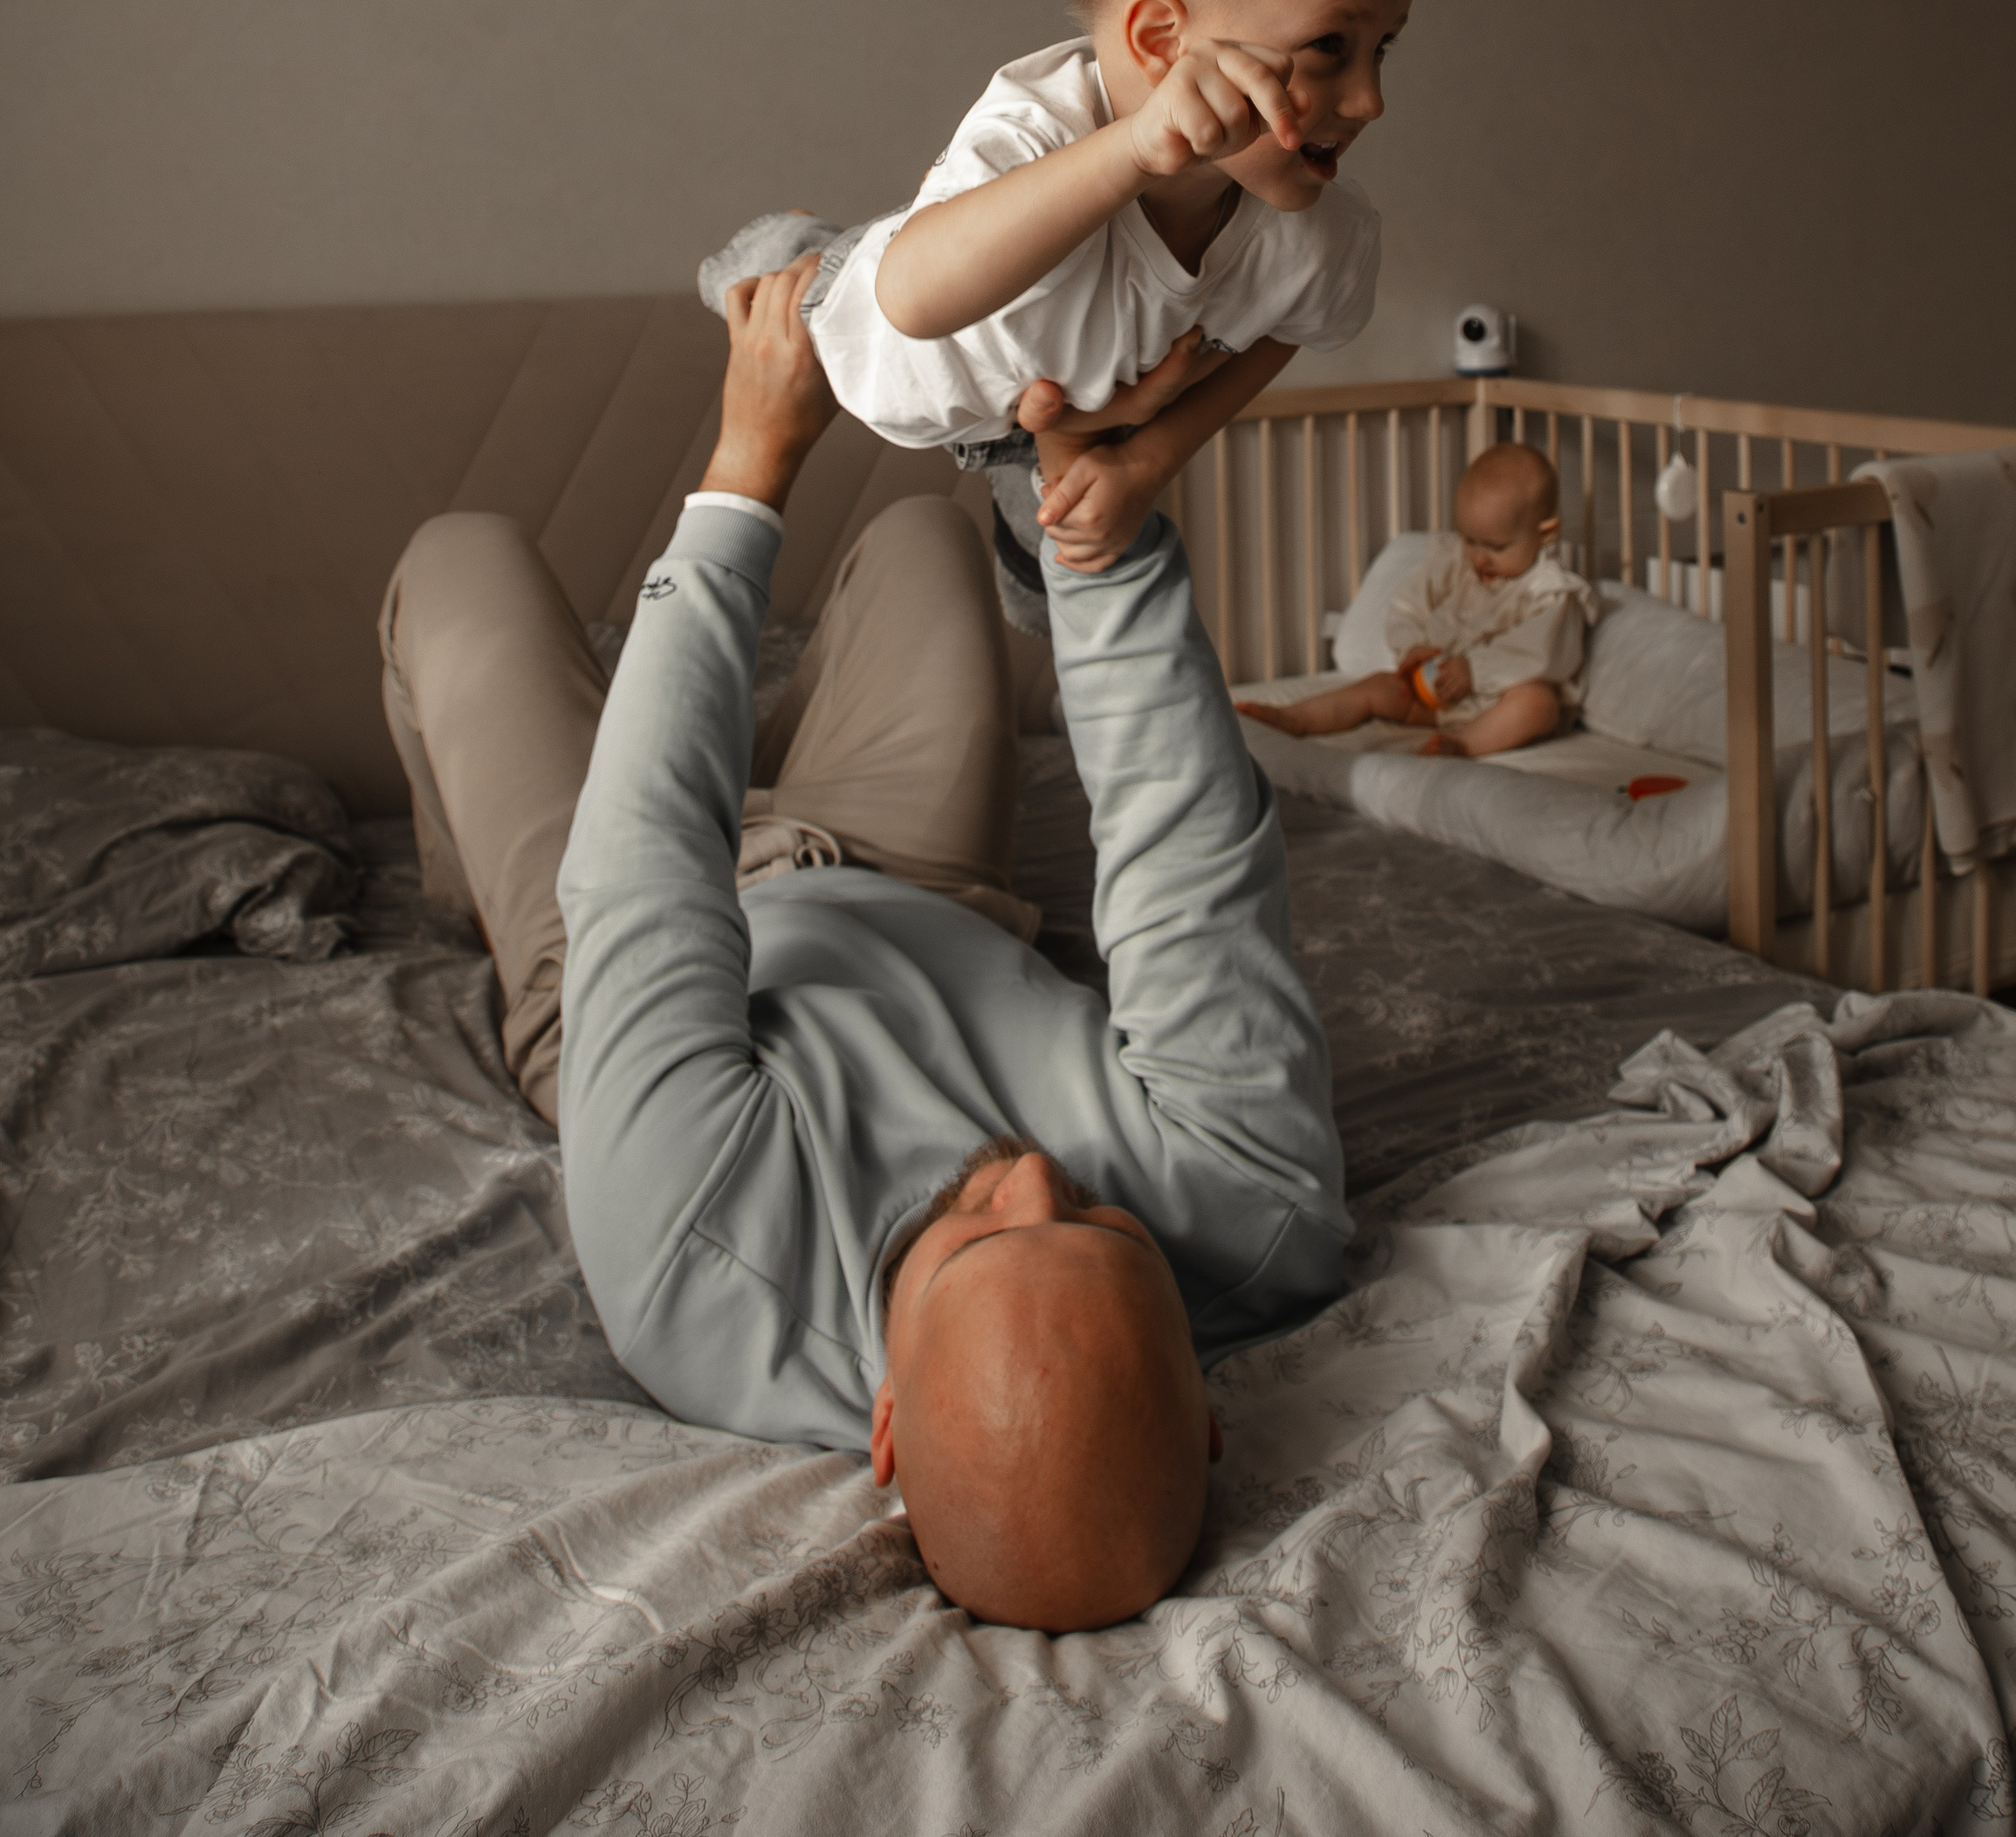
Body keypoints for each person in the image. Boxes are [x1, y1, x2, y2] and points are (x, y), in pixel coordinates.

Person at [376, 258, 1349, 1633]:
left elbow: (647, 867)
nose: (1028, 1177)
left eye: (972, 1244)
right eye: (1102, 1222)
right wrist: (1093, 516)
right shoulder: (1257, 1213)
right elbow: (1189, 846)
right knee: (920, 531)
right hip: (924, 893)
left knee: (460, 554)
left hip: (628, 967)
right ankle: (817, 687)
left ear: (885, 1427)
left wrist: (748, 463)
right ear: (1205, 1413)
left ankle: (456, 874)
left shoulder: (700, 1266)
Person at [698, 0, 1423, 605]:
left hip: (1035, 408)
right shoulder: (1038, 128)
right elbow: (912, 298)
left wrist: (1151, 459)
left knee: (1054, 590)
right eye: (1332, 46)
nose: (1371, 100)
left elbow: (1291, 324)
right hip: (896, 337)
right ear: (1162, 43)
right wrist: (1134, 149)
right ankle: (803, 241)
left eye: (1384, 48)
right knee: (787, 283)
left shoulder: (1316, 236)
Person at [1237, 442, 1598, 759]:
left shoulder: (1549, 591)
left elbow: (1543, 653)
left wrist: (1474, 672)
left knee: (1538, 704)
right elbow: (1410, 604)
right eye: (1471, 540)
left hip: (1497, 700)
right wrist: (1413, 647)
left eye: (1497, 547)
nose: (1480, 557)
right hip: (1435, 695)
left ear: (1546, 533)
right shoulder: (1455, 565)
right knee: (1380, 686)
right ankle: (1296, 718)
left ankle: (1465, 744)